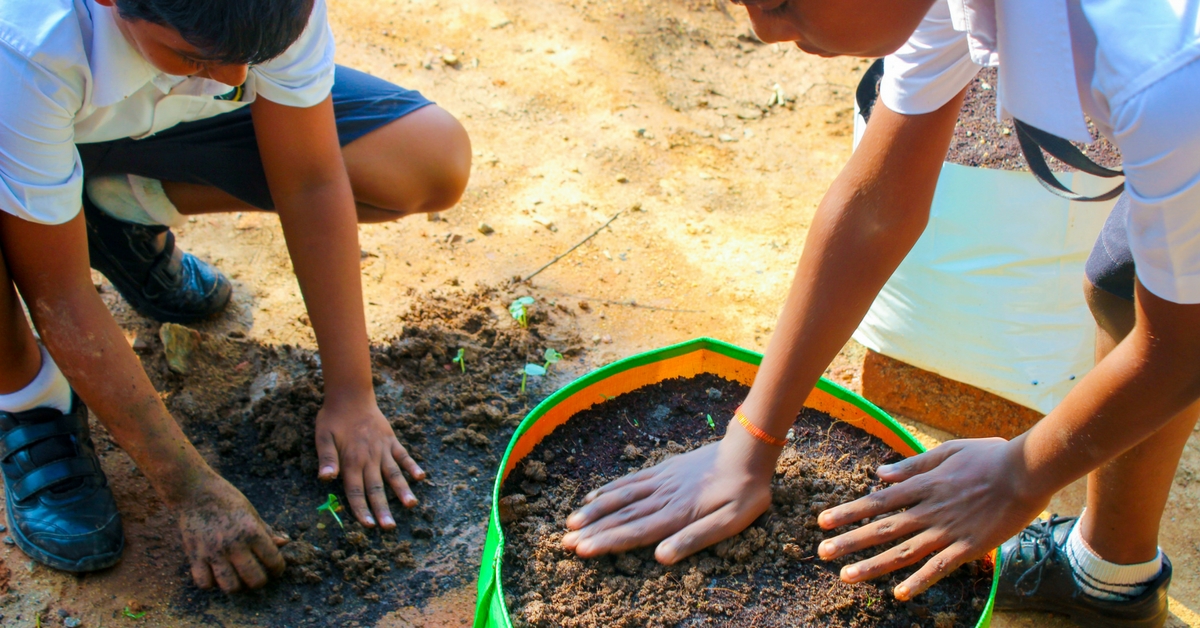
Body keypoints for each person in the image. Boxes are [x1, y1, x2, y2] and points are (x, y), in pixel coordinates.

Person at [561, 0, 1197, 625]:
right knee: (1123, 284)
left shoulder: (1165, 78)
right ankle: (1109, 577)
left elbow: (1187, 351)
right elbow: (876, 207)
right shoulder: (946, 7)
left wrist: (1019, 475)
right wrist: (750, 439)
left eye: (781, 0)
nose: (763, 31)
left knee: (1150, 294)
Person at [0, 0, 470, 592]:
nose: (234, 81)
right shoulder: (25, 43)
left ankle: (105, 212)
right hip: (17, 102)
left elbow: (310, 178)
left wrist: (353, 393)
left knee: (426, 157)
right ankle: (27, 397)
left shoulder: (264, 16)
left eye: (254, 58)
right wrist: (190, 488)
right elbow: (59, 295)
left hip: (110, 120)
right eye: (196, 56)